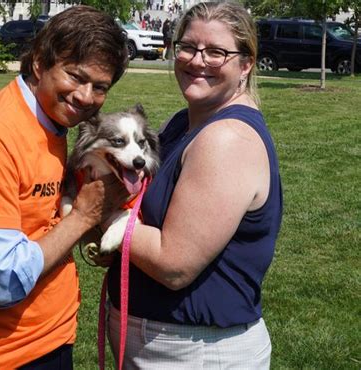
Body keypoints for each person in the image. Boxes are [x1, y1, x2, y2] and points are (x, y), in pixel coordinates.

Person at [0, 6, 128, 369]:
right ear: (39, 63)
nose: (85, 97)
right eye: (75, 76)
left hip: (49, 340)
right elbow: (3, 281)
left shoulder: (54, 123)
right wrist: (83, 217)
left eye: (100, 87)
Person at [105, 2, 283, 368]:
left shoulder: (227, 140)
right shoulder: (181, 124)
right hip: (167, 347)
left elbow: (174, 263)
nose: (197, 60)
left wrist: (96, 213)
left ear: (246, 64)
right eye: (187, 46)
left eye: (216, 52)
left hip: (196, 351)